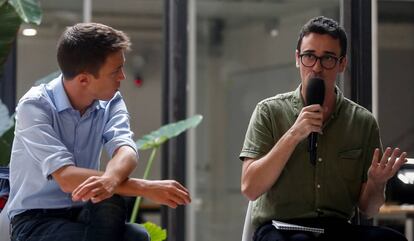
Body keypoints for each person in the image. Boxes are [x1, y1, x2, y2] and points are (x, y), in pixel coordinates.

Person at [7, 23, 191, 241]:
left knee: (117, 210)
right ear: (84, 79)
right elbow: (66, 178)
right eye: (116, 71)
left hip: (83, 212)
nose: (122, 76)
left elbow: (126, 150)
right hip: (35, 222)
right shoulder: (35, 106)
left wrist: (111, 179)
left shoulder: (111, 101)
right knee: (133, 236)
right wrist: (145, 187)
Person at [240, 16, 408, 241]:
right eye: (309, 56)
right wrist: (294, 133)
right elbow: (250, 188)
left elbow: (369, 209)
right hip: (280, 227)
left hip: (335, 228)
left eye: (327, 58)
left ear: (342, 64)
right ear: (298, 59)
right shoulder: (269, 112)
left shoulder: (362, 122)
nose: (317, 67)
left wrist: (377, 184)